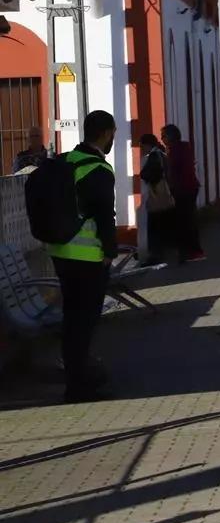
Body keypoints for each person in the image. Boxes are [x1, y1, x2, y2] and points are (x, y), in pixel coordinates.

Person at [47, 110, 118, 403]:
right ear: (103, 134)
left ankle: (75, 381)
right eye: (112, 134)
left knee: (71, 320)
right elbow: (105, 216)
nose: (113, 139)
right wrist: (109, 253)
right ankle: (79, 387)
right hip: (88, 258)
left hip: (60, 252)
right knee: (84, 324)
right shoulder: (99, 170)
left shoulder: (67, 161)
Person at [160, 124, 205, 262]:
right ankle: (192, 251)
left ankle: (190, 251)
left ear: (171, 136)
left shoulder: (176, 150)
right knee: (188, 220)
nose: (162, 139)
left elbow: (175, 172)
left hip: (183, 190)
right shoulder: (183, 147)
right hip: (188, 188)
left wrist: (172, 188)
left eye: (164, 136)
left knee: (185, 221)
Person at [137, 133, 172, 266]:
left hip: (155, 196)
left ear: (147, 145)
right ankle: (161, 253)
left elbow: (148, 174)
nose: (141, 148)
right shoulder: (162, 153)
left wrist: (144, 174)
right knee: (161, 225)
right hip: (163, 195)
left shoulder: (153, 156)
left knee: (154, 227)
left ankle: (155, 256)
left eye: (142, 145)